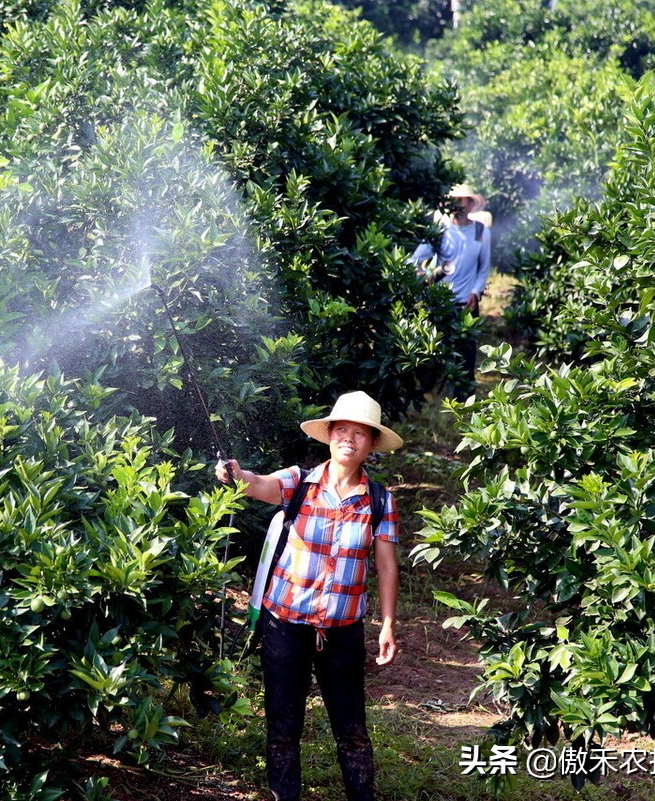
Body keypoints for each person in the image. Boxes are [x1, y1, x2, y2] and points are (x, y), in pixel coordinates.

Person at [215, 391, 402, 801]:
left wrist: (387, 623)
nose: (349, 440)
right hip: (285, 624)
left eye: (360, 434)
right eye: (342, 431)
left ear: (371, 444)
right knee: (283, 728)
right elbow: (258, 485)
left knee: (352, 729)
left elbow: (386, 566)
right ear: (329, 435)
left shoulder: (379, 500)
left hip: (343, 630)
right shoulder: (299, 482)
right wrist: (236, 474)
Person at [411, 184, 492, 393]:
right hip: (439, 302)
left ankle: (463, 396)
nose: (457, 205)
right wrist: (424, 275)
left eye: (462, 200)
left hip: (466, 303)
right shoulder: (440, 231)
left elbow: (483, 268)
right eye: (453, 201)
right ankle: (425, 392)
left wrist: (475, 292)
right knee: (433, 349)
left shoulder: (480, 231)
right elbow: (415, 260)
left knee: (466, 352)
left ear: (470, 203)